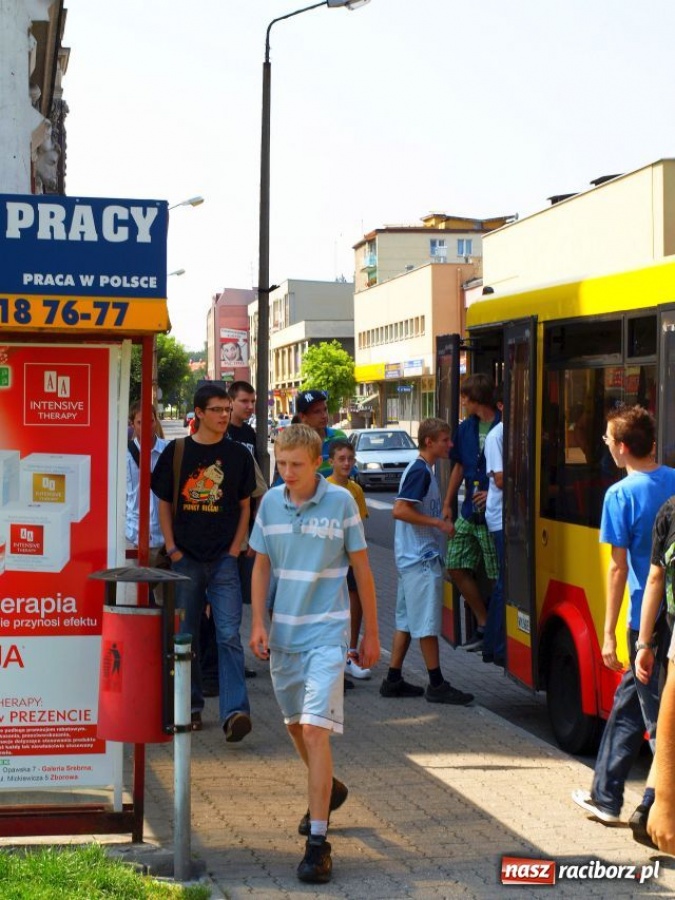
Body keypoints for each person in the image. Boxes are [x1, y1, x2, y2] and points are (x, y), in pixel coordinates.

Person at [249, 424, 380, 884]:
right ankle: (331, 788)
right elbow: (261, 564)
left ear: (317, 461)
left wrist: (370, 636)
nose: (286, 473)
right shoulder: (270, 504)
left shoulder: (342, 503)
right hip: (284, 637)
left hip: (327, 635)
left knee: (314, 731)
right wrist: (259, 621)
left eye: (295, 465)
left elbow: (363, 571)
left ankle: (318, 843)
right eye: (280, 464)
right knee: (295, 728)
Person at [572, 405, 675, 823]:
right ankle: (606, 797)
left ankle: (656, 807)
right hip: (671, 613)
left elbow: (617, 569)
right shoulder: (672, 480)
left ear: (622, 447)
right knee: (629, 704)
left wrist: (610, 632)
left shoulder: (619, 495)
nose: (606, 447)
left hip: (645, 621)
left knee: (656, 719)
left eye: (608, 440)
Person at [151, 384, 256, 740]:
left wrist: (235, 549)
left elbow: (246, 505)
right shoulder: (177, 451)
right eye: (216, 409)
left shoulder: (239, 455)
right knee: (185, 636)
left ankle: (235, 712)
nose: (224, 415)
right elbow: (164, 501)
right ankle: (190, 707)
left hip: (224, 560)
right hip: (186, 559)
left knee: (229, 636)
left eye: (227, 409)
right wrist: (172, 546)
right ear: (198, 413)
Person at [380, 418, 474, 706]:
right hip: (420, 559)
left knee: (407, 621)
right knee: (426, 624)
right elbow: (399, 510)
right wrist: (437, 523)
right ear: (429, 442)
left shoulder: (424, 470)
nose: (450, 444)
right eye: (445, 440)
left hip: (411, 560)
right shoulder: (420, 471)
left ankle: (392, 679)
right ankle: (436, 684)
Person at [442, 374, 501, 653]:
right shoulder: (466, 428)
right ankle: (483, 622)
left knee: (495, 574)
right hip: (469, 511)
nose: (462, 401)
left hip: (494, 513)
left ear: (476, 398)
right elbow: (458, 467)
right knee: (454, 563)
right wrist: (447, 503)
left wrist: (494, 493)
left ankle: (496, 632)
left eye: (465, 397)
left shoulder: (505, 425)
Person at [326, 438, 371, 680]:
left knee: (356, 605)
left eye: (350, 459)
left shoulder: (356, 490)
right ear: (330, 461)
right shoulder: (326, 487)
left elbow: (360, 526)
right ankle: (336, 657)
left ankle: (351, 652)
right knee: (334, 608)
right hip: (333, 560)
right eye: (341, 459)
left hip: (352, 559)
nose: (346, 463)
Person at [125, 402, 168, 570]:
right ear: (132, 424)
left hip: (164, 538)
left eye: (150, 421)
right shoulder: (124, 454)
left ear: (156, 421)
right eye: (140, 422)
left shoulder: (169, 451)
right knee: (135, 593)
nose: (146, 426)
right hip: (134, 536)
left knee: (163, 595)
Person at [482, 388, 505, 666]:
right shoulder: (497, 436)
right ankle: (494, 645)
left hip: (508, 515)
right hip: (501, 518)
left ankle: (496, 643)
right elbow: (500, 480)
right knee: (503, 582)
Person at [295, 390, 347, 478]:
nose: (324, 415)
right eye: (317, 412)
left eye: (325, 409)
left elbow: (351, 472)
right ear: (303, 417)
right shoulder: (295, 444)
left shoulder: (340, 437)